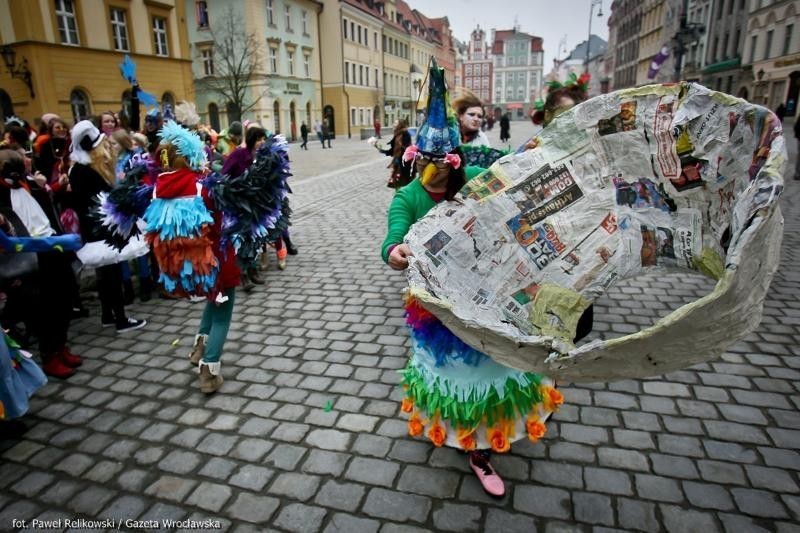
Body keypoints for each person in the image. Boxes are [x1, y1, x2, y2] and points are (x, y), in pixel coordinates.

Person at [381, 59, 561, 498]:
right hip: (439, 310)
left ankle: (488, 438)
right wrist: (397, 252)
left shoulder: (475, 180)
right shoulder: (409, 196)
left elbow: (516, 183)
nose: (438, 169)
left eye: (445, 161)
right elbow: (390, 240)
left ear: (455, 157)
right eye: (430, 162)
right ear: (417, 159)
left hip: (488, 299)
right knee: (460, 379)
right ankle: (476, 448)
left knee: (497, 368)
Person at [0, 150, 82, 378]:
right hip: (27, 255)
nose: (27, 161)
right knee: (45, 307)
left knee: (65, 297)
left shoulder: (31, 184)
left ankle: (61, 347)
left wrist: (46, 187)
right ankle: (49, 355)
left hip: (52, 246)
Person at [68, 121, 146, 333]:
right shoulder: (86, 172)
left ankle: (107, 315)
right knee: (110, 274)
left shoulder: (78, 170)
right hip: (101, 229)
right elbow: (100, 201)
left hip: (96, 228)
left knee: (105, 274)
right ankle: (120, 319)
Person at [222, 126, 269, 290]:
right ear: (251, 140)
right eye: (258, 139)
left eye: (264, 139)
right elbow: (224, 175)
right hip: (238, 204)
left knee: (254, 237)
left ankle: (253, 270)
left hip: (255, 204)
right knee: (240, 239)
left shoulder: (264, 157)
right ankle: (242, 274)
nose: (262, 142)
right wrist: (236, 187)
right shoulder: (238, 154)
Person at [375, 119, 414, 189]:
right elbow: (392, 150)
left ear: (400, 125)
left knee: (403, 183)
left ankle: (404, 197)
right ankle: (400, 196)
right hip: (398, 162)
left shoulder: (405, 134)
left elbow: (407, 148)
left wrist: (401, 147)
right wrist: (380, 149)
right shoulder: (397, 134)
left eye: (395, 123)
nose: (393, 124)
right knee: (397, 182)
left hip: (404, 163)